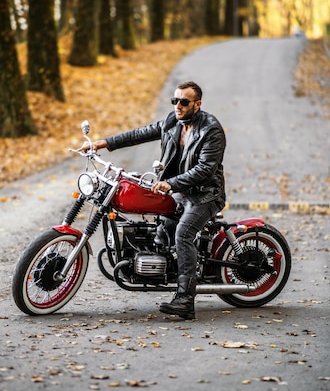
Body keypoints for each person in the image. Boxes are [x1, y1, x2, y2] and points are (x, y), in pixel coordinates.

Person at [78, 81, 226, 319]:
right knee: (158, 227)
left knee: (183, 233)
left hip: (204, 194)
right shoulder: (172, 121)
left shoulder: (211, 130)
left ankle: (185, 301)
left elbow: (205, 169)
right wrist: (103, 143)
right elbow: (142, 133)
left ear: (197, 104)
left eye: (184, 102)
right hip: (177, 191)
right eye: (175, 100)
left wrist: (171, 183)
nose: (178, 106)